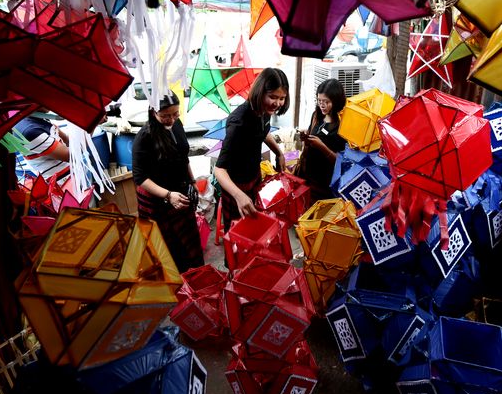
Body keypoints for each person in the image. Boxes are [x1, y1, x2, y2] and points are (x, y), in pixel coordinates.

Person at [132, 93, 204, 272]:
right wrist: (168, 195)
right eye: (165, 116)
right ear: (153, 112)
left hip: (180, 191)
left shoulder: (177, 125)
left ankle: (194, 276)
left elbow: (183, 157)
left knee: (190, 244)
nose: (171, 119)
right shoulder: (144, 137)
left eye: (175, 114)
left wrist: (192, 181)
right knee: (169, 248)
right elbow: (140, 177)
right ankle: (177, 281)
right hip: (158, 200)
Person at [214, 68, 289, 231]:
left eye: (282, 98)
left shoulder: (264, 111)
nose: (277, 103)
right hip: (235, 186)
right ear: (260, 92)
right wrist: (239, 196)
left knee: (254, 229)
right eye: (273, 97)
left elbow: (263, 132)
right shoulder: (239, 123)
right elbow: (219, 170)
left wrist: (279, 153)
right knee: (237, 234)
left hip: (253, 177)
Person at [296, 78, 347, 201]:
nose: (322, 105)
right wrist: (306, 137)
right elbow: (311, 133)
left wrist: (321, 146)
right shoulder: (316, 115)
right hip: (308, 177)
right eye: (319, 100)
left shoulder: (344, 125)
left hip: (326, 184)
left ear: (336, 101)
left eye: (326, 101)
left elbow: (343, 162)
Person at [14, 111, 71, 185]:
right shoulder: (30, 130)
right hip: (64, 181)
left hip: (71, 172)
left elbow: (66, 139)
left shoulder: (37, 116)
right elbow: (69, 156)